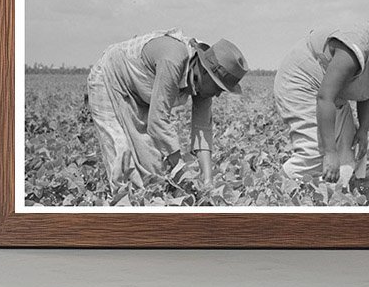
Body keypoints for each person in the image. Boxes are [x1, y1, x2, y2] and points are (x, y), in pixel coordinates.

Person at [273, 1, 369, 184]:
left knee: (349, 149)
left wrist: (363, 130)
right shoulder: (356, 44)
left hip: (331, 91)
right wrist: (329, 152)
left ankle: (334, 197)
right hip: (301, 81)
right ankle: (275, 188)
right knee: (315, 153)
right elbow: (325, 97)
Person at [87, 29, 248, 192]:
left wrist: (207, 181)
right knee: (121, 156)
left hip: (142, 94)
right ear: (206, 72)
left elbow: (202, 129)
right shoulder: (174, 59)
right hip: (110, 77)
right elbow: (157, 121)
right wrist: (181, 170)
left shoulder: (203, 82)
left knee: (152, 167)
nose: (219, 94)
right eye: (219, 87)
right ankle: (124, 209)